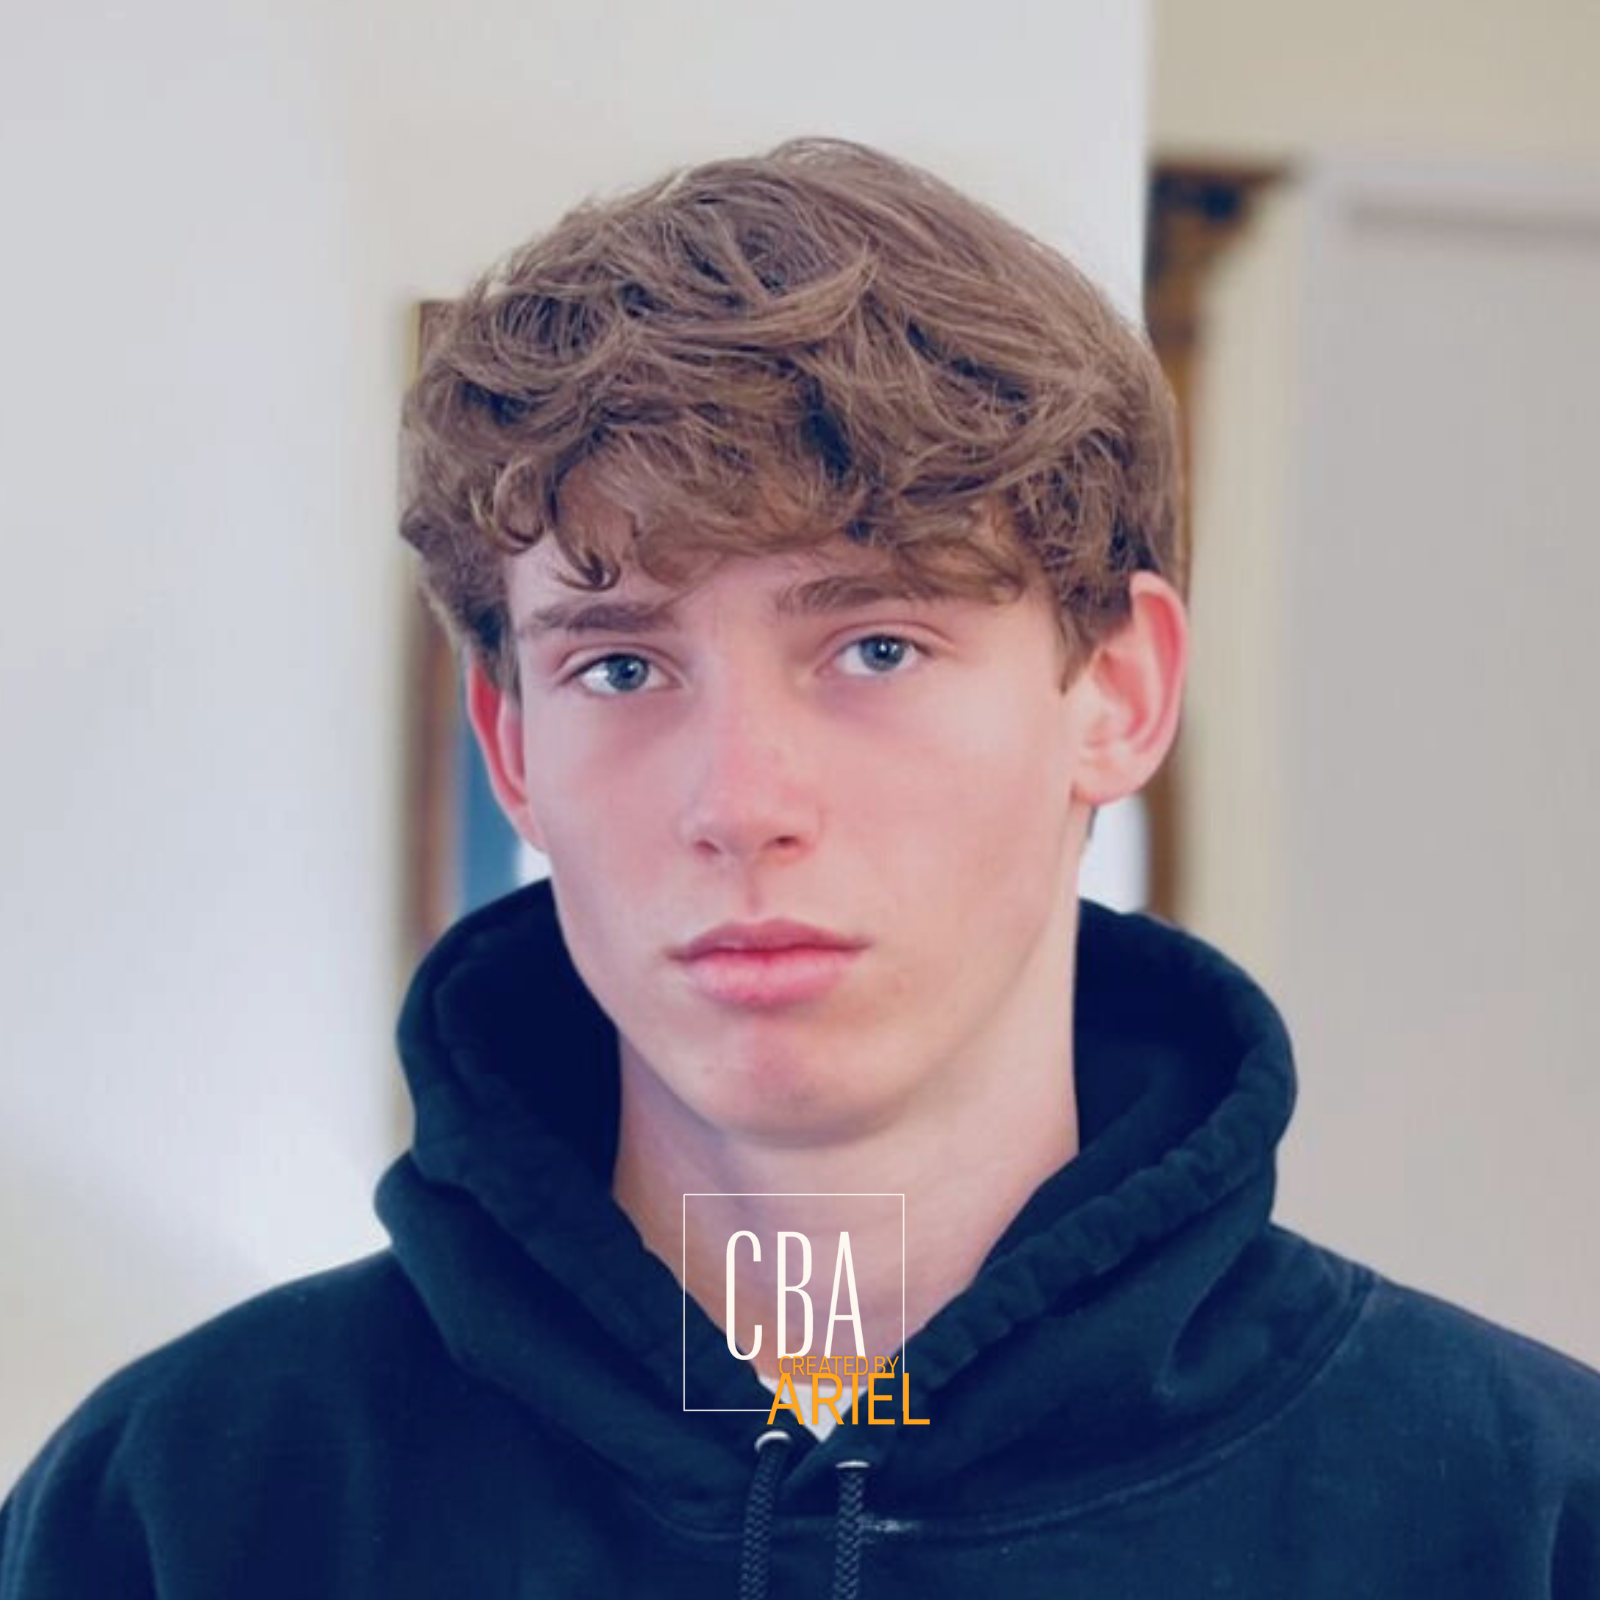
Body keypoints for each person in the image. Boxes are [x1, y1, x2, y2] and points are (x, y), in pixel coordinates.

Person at [2, 138, 1596, 1600]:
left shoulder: (1522, 1513)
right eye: (623, 669)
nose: (741, 801)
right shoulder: (181, 1512)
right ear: (513, 752)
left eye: (877, 644)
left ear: (1117, 692)